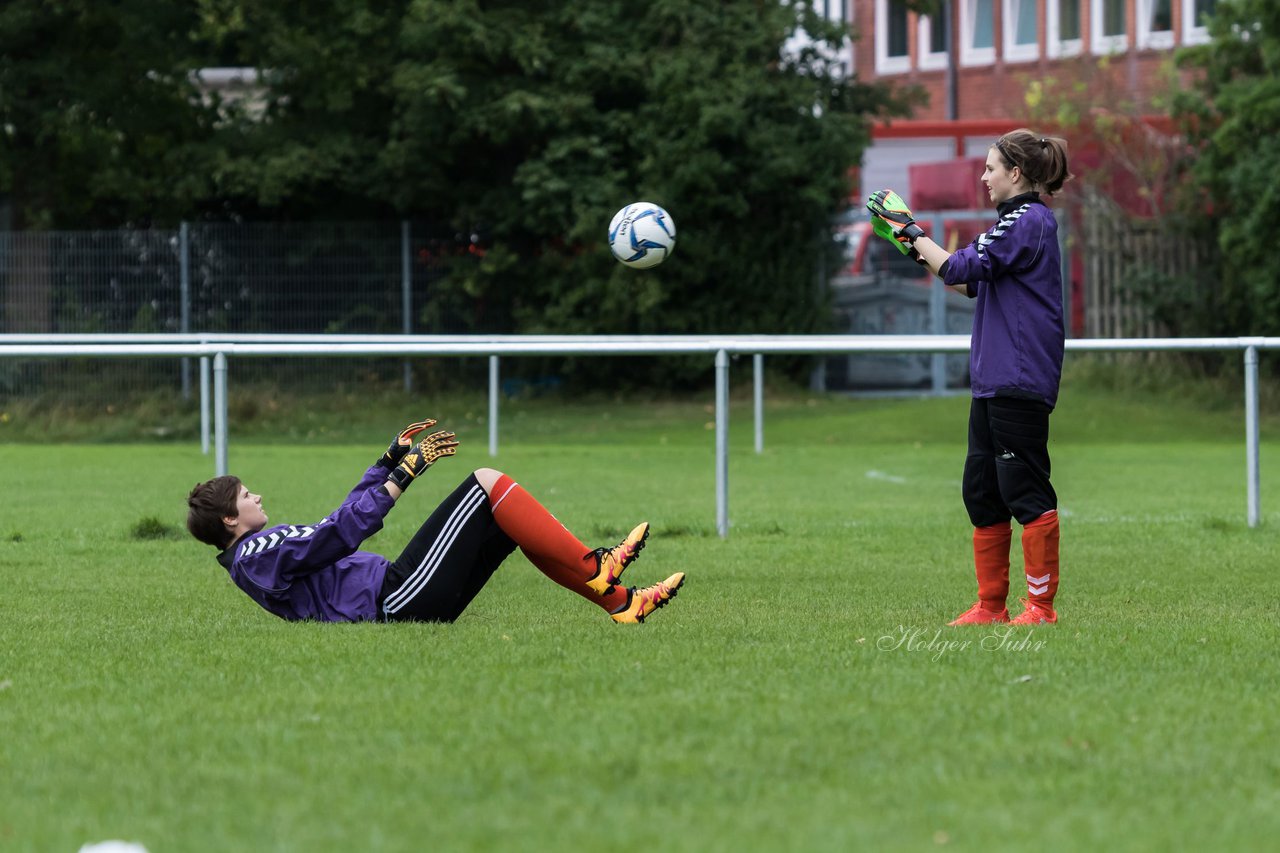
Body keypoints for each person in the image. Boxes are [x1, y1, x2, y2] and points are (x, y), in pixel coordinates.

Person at [186, 419, 686, 625]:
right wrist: (403, 476)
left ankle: (621, 601)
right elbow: (338, 535)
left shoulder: (257, 551)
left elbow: (331, 527)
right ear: (231, 519)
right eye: (247, 495)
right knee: (487, 482)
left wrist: (385, 463)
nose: (258, 496)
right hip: (394, 598)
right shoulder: (254, 556)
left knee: (502, 517)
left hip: (397, 594)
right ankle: (596, 566)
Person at [867, 128, 1072, 626]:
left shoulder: (1029, 220)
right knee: (981, 491)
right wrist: (906, 239)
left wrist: (911, 229)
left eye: (990, 168)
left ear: (1015, 173)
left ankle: (1040, 609)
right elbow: (964, 281)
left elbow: (960, 264)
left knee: (1024, 489)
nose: (984, 177)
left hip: (1018, 378)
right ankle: (990, 606)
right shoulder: (1013, 223)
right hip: (992, 379)